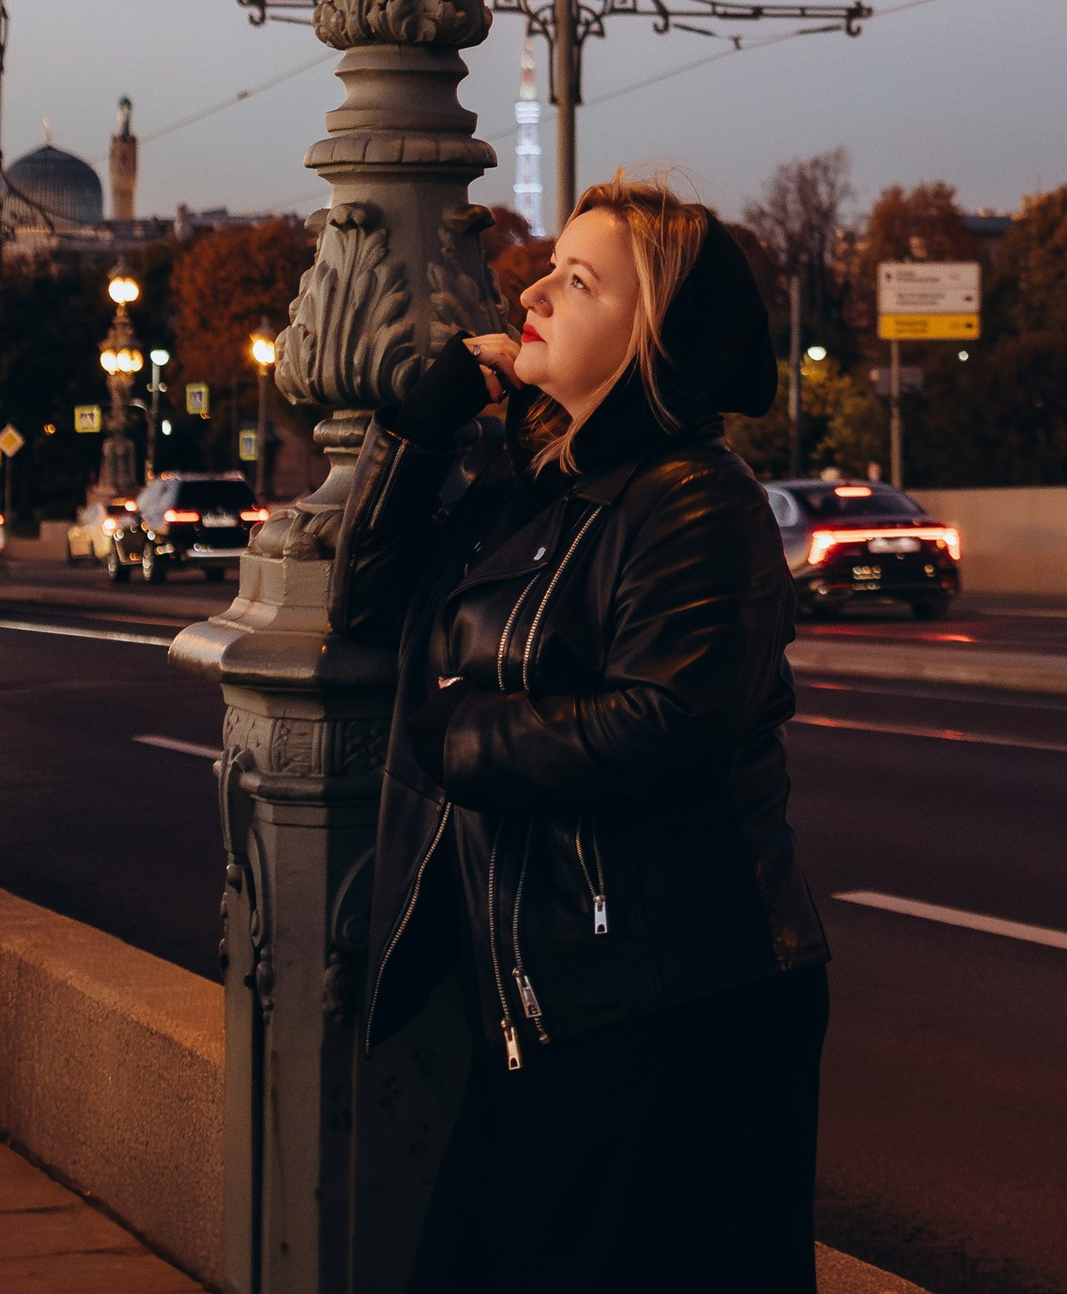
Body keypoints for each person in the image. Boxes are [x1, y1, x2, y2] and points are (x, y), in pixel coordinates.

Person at [333, 171, 827, 1292]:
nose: (534, 292)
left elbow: (668, 725)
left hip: (673, 1004)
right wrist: (418, 426)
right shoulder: (534, 486)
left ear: (650, 335)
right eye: (548, 266)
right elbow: (367, 608)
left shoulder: (697, 500)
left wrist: (461, 737)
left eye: (579, 279)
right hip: (555, 1004)